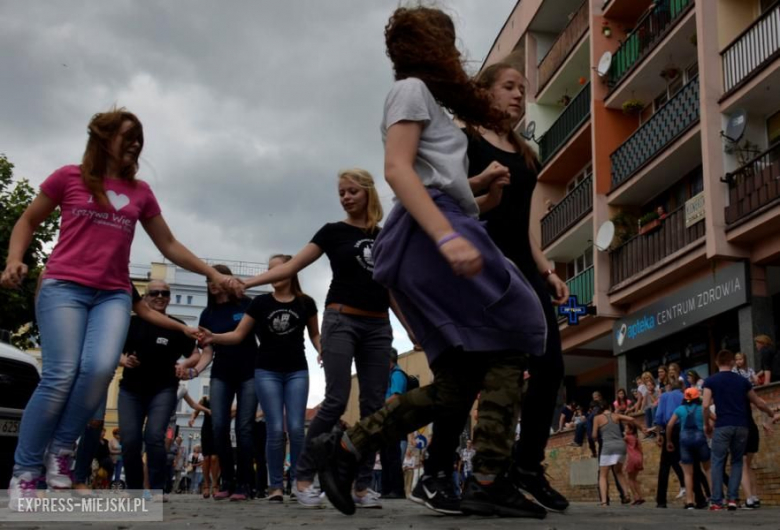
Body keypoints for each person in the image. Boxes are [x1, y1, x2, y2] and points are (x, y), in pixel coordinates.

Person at [307, 6, 548, 519]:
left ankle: (347, 448)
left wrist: (474, 191)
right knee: (524, 321)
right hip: (430, 232)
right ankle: (488, 478)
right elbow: (397, 170)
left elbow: (431, 175)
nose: (456, 53)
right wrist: (446, 236)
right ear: (432, 45)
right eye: (449, 41)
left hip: (437, 227)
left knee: (459, 379)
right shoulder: (412, 89)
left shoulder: (427, 101)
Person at [1, 108, 239, 509]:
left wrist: (210, 274)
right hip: (64, 286)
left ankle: (60, 453)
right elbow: (27, 220)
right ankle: (26, 470)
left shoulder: (141, 192)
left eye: (139, 139)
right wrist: (14, 259)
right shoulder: (68, 178)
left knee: (97, 368)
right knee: (61, 374)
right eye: (127, 136)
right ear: (101, 137)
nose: (135, 145)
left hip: (112, 292)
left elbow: (169, 245)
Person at [241, 169, 403, 510]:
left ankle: (360, 486)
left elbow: (392, 287)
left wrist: (411, 327)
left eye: (352, 191)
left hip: (378, 326)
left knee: (375, 408)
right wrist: (247, 283)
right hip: (341, 319)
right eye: (341, 192)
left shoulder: (385, 235)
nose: (345, 197)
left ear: (368, 193)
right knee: (336, 399)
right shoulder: (332, 232)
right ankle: (303, 478)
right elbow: (290, 267)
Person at [464, 61, 570, 513]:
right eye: (508, 87)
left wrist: (546, 268)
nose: (517, 95)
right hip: (481, 265)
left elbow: (527, 223)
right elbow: (447, 200)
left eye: (522, 90)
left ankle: (528, 465)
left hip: (525, 269)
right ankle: (461, 473)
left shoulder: (526, 153)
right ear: (484, 92)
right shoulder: (464, 139)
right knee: (477, 374)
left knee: (550, 367)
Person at [199, 254, 321, 503]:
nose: (271, 274)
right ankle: (275, 486)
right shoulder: (260, 304)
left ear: (291, 270)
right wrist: (214, 338)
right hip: (266, 371)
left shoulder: (306, 302)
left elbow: (315, 335)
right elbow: (237, 335)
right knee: (275, 430)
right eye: (269, 270)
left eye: (276, 269)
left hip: (297, 370)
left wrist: (325, 351)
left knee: (296, 429)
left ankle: (299, 483)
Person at [181, 264, 257, 501]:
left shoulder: (245, 305)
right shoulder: (207, 315)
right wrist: (194, 372)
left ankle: (245, 483)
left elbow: (248, 337)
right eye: (208, 279)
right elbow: (207, 352)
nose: (212, 283)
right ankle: (228, 481)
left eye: (216, 278)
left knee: (244, 428)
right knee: (219, 426)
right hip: (222, 373)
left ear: (227, 280)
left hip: (249, 372)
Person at [117, 280, 199, 497]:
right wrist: (124, 360)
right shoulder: (132, 323)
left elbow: (196, 354)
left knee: (154, 436)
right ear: (144, 297)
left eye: (165, 293)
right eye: (154, 293)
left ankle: (156, 489)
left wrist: (186, 365)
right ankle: (134, 490)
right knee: (130, 439)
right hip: (131, 390)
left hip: (162, 389)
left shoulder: (176, 326)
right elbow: (113, 349)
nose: (160, 296)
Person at [702, 349, 779, 511]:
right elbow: (758, 402)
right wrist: (772, 414)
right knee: (737, 461)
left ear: (716, 363)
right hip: (742, 426)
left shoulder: (710, 381)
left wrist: (707, 424)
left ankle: (717, 500)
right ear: (731, 362)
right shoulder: (742, 381)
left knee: (717, 460)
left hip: (723, 424)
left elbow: (705, 404)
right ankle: (732, 499)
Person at [666, 387, 711, 509]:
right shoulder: (702, 408)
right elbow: (714, 418)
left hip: (685, 441)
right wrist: (708, 426)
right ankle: (715, 498)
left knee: (687, 473)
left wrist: (669, 441)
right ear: (697, 397)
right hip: (700, 438)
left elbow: (670, 425)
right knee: (708, 469)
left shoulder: (680, 409)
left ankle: (690, 501)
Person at [592, 403, 635, 506]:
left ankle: (604, 501)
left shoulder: (597, 418)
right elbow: (631, 419)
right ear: (610, 408)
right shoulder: (616, 415)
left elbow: (593, 435)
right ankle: (626, 494)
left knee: (603, 475)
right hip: (621, 446)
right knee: (619, 472)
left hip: (608, 447)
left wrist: (597, 437)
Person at [653, 379, 686, 508]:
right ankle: (699, 496)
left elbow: (659, 416)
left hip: (670, 429)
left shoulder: (665, 396)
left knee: (665, 466)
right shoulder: (684, 395)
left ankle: (661, 500)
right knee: (688, 463)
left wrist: (658, 434)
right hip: (685, 429)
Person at [380, 349, 408, 499]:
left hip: (393, 420)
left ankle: (397, 490)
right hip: (387, 420)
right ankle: (386, 489)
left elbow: (396, 396)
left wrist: (379, 406)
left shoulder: (397, 375)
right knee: (386, 456)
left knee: (392, 456)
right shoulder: (391, 375)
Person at [188, 396, 218, 497]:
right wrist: (192, 418)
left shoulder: (223, 396)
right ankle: (206, 485)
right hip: (207, 429)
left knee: (214, 458)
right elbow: (195, 411)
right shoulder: (205, 399)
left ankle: (215, 485)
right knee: (206, 458)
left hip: (218, 429)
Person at [624, 423, 644, 505]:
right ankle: (640, 497)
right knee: (634, 479)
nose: (625, 430)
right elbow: (641, 450)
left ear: (631, 430)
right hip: (639, 458)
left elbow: (618, 439)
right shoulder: (636, 438)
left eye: (626, 428)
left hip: (632, 458)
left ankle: (635, 497)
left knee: (630, 479)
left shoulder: (627, 437)